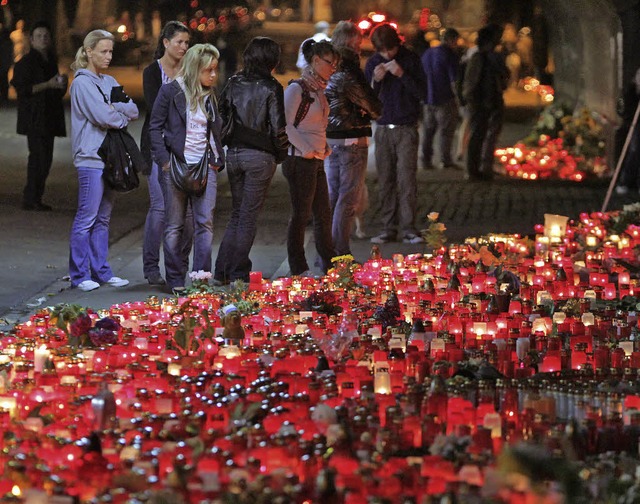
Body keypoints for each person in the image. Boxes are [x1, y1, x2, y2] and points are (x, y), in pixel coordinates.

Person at [149, 43, 225, 292]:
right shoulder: (171, 91)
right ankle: (175, 279)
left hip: (205, 167)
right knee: (174, 225)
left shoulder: (210, 95)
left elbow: (213, 131)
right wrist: (165, 162)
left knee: (204, 224)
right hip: (176, 167)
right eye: (208, 70)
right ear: (195, 69)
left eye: (215, 70)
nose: (213, 75)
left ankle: (201, 278)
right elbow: (154, 128)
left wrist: (216, 159)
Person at [213, 37, 289, 285]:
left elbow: (221, 114)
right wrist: (281, 153)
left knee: (238, 214)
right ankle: (237, 272)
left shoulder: (234, 83)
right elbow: (278, 128)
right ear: (271, 60)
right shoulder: (271, 87)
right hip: (259, 156)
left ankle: (223, 270)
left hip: (234, 153)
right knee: (248, 217)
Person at [68, 29, 139, 292]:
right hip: (90, 158)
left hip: (110, 157)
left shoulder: (108, 81)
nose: (109, 56)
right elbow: (104, 117)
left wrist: (114, 108)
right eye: (104, 51)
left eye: (111, 51)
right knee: (87, 217)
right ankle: (79, 274)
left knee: (103, 218)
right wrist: (116, 113)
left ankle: (101, 271)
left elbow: (132, 108)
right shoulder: (83, 83)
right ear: (89, 51)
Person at [140, 21, 193, 286]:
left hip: (186, 150)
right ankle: (151, 267)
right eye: (179, 42)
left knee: (187, 214)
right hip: (158, 149)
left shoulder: (190, 70)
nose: (184, 47)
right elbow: (154, 107)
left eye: (187, 42)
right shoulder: (153, 72)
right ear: (166, 43)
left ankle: (178, 267)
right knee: (160, 209)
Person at [364, 23, 426, 245]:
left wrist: (402, 74)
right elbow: (367, 99)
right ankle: (388, 227)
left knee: (406, 179)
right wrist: (375, 81)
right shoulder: (373, 63)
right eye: (382, 51)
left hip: (406, 128)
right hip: (382, 129)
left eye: (390, 50)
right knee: (386, 179)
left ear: (397, 44)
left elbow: (422, 92)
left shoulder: (410, 60)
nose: (387, 55)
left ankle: (409, 228)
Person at [325, 21, 382, 255]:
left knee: (332, 196)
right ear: (350, 43)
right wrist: (375, 85)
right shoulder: (349, 69)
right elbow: (374, 107)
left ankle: (326, 252)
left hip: (330, 139)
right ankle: (339, 254)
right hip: (351, 138)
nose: (360, 48)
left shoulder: (325, 67)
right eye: (358, 43)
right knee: (348, 199)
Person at [283, 39, 338, 276]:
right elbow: (286, 126)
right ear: (316, 61)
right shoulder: (298, 89)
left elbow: (317, 125)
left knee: (323, 214)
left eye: (335, 64)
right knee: (302, 214)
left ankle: (329, 263)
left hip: (315, 160)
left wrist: (323, 145)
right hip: (299, 160)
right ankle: (298, 267)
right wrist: (306, 149)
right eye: (329, 63)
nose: (333, 68)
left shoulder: (319, 90)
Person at [10, 21, 67, 211]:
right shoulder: (25, 63)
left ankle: (36, 197)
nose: (43, 39)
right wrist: (48, 85)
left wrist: (61, 85)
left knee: (46, 158)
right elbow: (22, 89)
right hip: (34, 118)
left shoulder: (50, 61)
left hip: (49, 116)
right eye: (39, 36)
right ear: (32, 40)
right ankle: (30, 197)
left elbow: (55, 91)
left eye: (46, 36)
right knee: (38, 157)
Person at [462, 23, 509, 181]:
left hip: (490, 102)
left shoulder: (491, 58)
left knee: (484, 136)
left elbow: (502, 77)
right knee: (476, 137)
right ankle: (472, 170)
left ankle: (480, 168)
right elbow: (472, 83)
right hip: (480, 104)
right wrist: (473, 102)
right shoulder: (478, 58)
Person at [420, 27, 461, 171]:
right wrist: (459, 99)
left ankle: (426, 160)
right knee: (446, 131)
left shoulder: (427, 53)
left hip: (428, 98)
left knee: (428, 131)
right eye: (456, 41)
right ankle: (445, 160)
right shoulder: (449, 55)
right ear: (451, 40)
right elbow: (453, 80)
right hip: (445, 98)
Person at [614, 67, 640, 195]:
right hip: (636, 124)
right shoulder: (630, 91)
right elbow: (625, 110)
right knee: (635, 151)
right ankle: (625, 181)